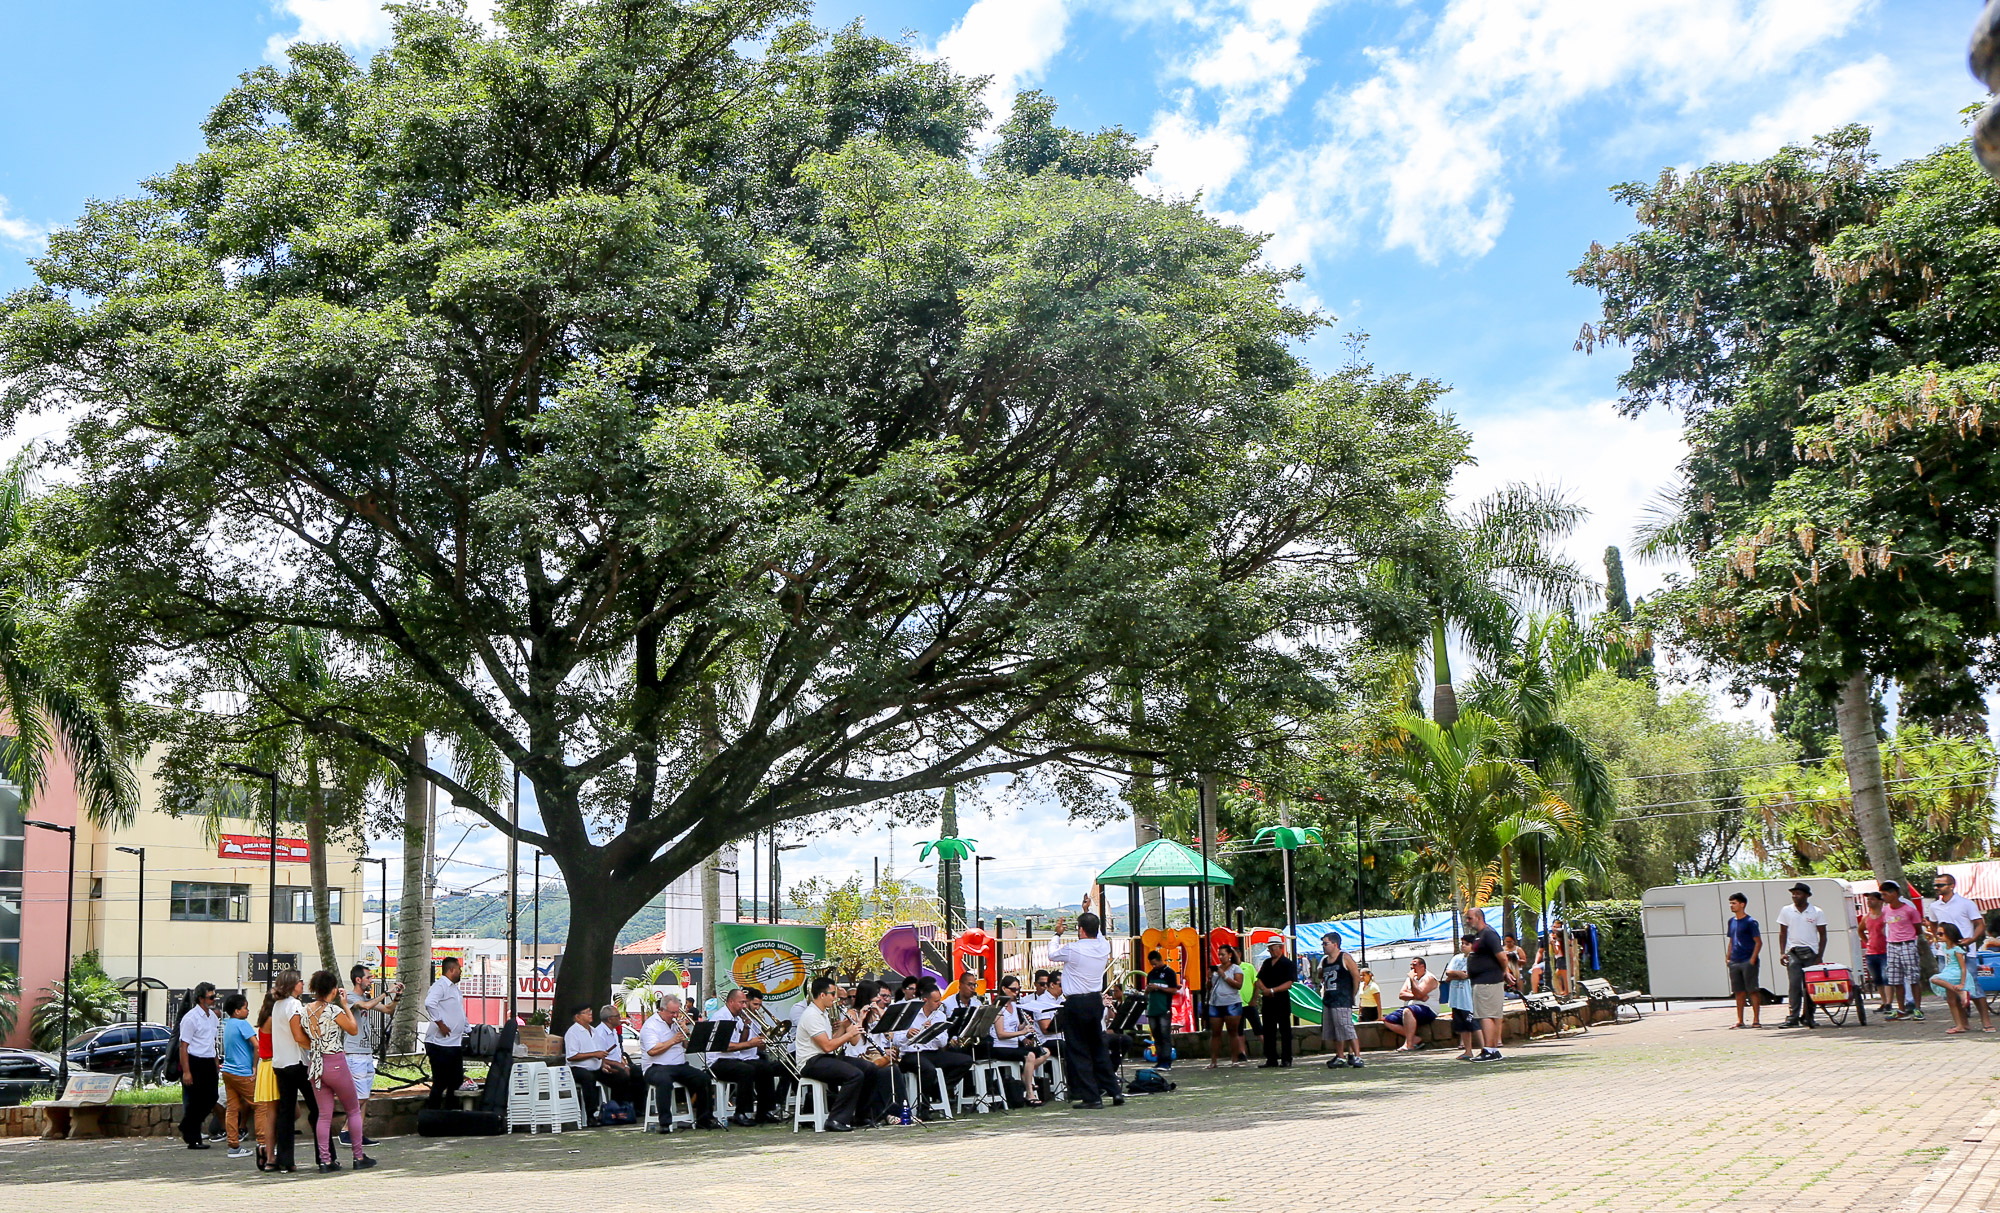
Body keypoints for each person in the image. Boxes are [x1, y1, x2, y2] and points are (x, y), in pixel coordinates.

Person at [1048, 898, 1124, 1107]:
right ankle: (1114, 1091)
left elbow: (1052, 954)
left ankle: (1092, 1097)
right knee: (1098, 1047)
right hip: (1094, 1000)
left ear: (1080, 930)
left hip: (1076, 1002)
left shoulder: (1074, 949)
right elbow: (1096, 932)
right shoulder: (1103, 946)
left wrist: (1057, 934)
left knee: (1079, 1050)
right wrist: (1086, 910)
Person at [303, 969, 371, 1172]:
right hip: (336, 1062)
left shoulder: (305, 1010)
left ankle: (325, 1160)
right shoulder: (334, 1011)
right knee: (353, 1109)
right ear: (333, 990)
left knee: (324, 1115)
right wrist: (345, 1006)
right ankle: (358, 1156)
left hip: (316, 1064)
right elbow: (353, 1029)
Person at [795, 975, 879, 1131]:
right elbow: (827, 1046)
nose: (835, 998)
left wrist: (844, 1027)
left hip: (823, 1057)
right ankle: (835, 1120)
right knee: (854, 1075)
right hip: (810, 1061)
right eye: (832, 994)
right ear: (822, 995)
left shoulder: (823, 1012)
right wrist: (849, 1033)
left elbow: (831, 1040)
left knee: (870, 1068)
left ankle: (862, 1116)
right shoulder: (811, 1015)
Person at [637, 995, 723, 1131]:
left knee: (704, 1078)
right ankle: (665, 1123)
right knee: (664, 1081)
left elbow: (687, 1047)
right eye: (672, 1013)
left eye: (677, 1012)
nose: (675, 1015)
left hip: (679, 1065)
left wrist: (687, 1035)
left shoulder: (676, 1024)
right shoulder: (650, 1026)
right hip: (656, 1067)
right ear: (662, 1010)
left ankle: (704, 1119)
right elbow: (652, 1051)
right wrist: (673, 1040)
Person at [709, 988, 787, 1125]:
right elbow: (725, 1047)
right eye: (742, 1002)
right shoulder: (721, 1017)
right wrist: (750, 1043)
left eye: (745, 1002)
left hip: (734, 1059)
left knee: (765, 1067)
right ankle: (741, 1113)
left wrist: (746, 1028)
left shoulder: (737, 1018)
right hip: (718, 1061)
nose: (744, 1006)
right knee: (746, 1070)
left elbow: (739, 1042)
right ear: (731, 1001)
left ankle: (764, 1112)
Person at [899, 977, 973, 1119]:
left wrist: (934, 1031)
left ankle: (938, 1090)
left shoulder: (939, 1015)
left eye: (940, 1000)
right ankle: (924, 1109)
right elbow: (897, 1040)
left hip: (933, 1052)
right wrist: (908, 1035)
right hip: (912, 1054)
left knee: (965, 1060)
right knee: (928, 1070)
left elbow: (943, 1042)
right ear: (925, 1000)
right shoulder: (909, 1013)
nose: (939, 1004)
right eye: (936, 1001)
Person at [338, 965, 396, 1147]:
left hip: (366, 1053)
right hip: (354, 1053)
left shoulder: (364, 997)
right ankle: (346, 1130)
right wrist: (386, 991)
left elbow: (387, 1010)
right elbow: (365, 1006)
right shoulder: (351, 998)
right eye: (369, 978)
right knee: (360, 1097)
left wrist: (398, 996)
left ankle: (357, 1134)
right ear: (358, 980)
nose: (371, 980)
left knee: (365, 1096)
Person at [269, 970, 317, 1173]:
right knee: (317, 1109)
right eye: (300, 981)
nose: (303, 984)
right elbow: (298, 1035)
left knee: (286, 1113)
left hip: (280, 1064)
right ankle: (325, 1155)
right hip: (296, 1062)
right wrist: (315, 1045)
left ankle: (285, 1159)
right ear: (292, 984)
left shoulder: (277, 1006)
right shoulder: (294, 1005)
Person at [987, 976, 1050, 1104]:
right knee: (1030, 1055)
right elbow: (1001, 1034)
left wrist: (1025, 1026)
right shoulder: (998, 1008)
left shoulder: (1015, 1006)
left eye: (1018, 990)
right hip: (1001, 1047)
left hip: (1014, 1045)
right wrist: (1023, 1032)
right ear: (1004, 989)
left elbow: (1015, 1027)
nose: (1016, 993)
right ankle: (1029, 1094)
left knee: (1045, 1051)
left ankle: (1025, 1074)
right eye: (1013, 990)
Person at [1776, 881, 1829, 1029]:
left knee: (1810, 986)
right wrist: (1782, 952)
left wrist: (1819, 956)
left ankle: (1809, 1016)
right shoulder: (1786, 910)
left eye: (1798, 893)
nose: (1795, 896)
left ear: (1806, 896)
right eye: (1793, 893)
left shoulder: (1816, 911)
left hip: (1810, 952)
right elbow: (1782, 932)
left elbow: (1823, 935)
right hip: (1793, 952)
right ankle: (1792, 1017)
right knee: (1794, 986)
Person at [176, 982, 222, 1150]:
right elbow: (184, 1046)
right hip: (195, 1060)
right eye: (210, 997)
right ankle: (193, 1137)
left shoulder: (213, 1017)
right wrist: (187, 1071)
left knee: (211, 1097)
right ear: (201, 998)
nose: (213, 1000)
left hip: (208, 1060)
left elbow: (212, 1041)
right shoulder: (191, 1018)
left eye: (214, 996)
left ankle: (186, 1125)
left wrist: (216, 1062)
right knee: (196, 1100)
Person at [1465, 907, 1515, 1061]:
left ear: (1479, 918)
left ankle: (1488, 1050)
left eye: (1470, 918)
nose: (1467, 921)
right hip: (1483, 981)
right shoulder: (1479, 936)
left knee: (1486, 1015)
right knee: (1490, 1015)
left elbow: (1502, 957)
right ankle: (1492, 1049)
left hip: (1487, 982)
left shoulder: (1488, 934)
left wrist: (1505, 972)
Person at [422, 956, 469, 1108]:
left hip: (454, 1043)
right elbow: (429, 1003)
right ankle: (432, 1112)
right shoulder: (440, 985)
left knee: (456, 1080)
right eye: (459, 969)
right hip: (439, 1043)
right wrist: (440, 1023)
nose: (460, 972)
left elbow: (458, 1012)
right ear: (451, 970)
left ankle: (451, 1111)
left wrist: (468, 1029)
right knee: (441, 1080)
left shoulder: (455, 989)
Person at [1879, 879, 1925, 1020]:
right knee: (1895, 979)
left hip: (1907, 944)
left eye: (1885, 894)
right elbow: (1884, 926)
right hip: (1892, 945)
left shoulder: (1909, 910)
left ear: (1895, 893)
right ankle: (1901, 1009)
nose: (1883, 898)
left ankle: (1917, 1008)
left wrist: (1909, 938)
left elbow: (1918, 929)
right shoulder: (1885, 909)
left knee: (1912, 977)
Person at [219, 993, 258, 1158]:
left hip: (228, 1072)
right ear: (236, 1011)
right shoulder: (243, 1024)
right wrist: (255, 1067)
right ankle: (266, 1143)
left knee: (232, 1109)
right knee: (261, 1106)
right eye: (245, 1008)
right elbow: (257, 1046)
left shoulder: (227, 1024)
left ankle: (233, 1145)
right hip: (243, 1072)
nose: (248, 1011)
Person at [1252, 937, 1298, 1069]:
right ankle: (1271, 1058)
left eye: (1274, 948)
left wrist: (1273, 990)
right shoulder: (1267, 963)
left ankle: (1286, 1059)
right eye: (1270, 949)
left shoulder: (1288, 964)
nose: (1272, 951)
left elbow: (1289, 983)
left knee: (1285, 1031)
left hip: (1281, 1000)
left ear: (1280, 948)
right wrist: (1265, 990)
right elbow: (1258, 979)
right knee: (1268, 1030)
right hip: (1268, 1002)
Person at [1318, 934, 1361, 1069]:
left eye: (1326, 944)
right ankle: (1340, 1055)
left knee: (1346, 1027)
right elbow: (1321, 976)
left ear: (1335, 944)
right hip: (1329, 999)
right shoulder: (1325, 961)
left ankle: (1357, 1056)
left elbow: (1356, 976)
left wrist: (1352, 994)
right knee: (1335, 1030)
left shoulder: (1344, 957)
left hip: (1342, 999)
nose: (1323, 947)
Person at [565, 1004, 611, 1125]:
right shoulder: (572, 1032)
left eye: (590, 1011)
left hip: (595, 1067)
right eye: (586, 1012)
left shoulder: (594, 1031)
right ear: (577, 1017)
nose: (590, 1014)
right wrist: (594, 1054)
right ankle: (591, 1114)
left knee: (619, 1075)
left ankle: (618, 1109)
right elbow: (572, 1056)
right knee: (588, 1078)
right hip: (578, 1068)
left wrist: (603, 1064)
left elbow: (599, 1051)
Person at [1724, 892, 1764, 1029]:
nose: (1731, 906)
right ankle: (1740, 1020)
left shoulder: (1750, 922)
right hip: (1735, 960)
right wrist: (1728, 957)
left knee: (1752, 990)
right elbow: (1731, 940)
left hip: (1748, 960)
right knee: (1738, 991)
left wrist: (1752, 959)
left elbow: (1758, 942)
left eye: (1734, 903)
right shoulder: (1731, 921)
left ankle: (1756, 1020)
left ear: (1742, 904)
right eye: (1730, 903)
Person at [1381, 958, 1438, 1052]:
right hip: (1412, 1007)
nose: (1412, 967)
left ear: (1422, 966)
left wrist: (1412, 980)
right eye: (1411, 965)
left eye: (1414, 965)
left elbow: (1419, 993)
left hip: (1428, 1008)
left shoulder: (1429, 978)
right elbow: (1402, 995)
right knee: (1388, 1020)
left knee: (1408, 1011)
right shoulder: (1409, 979)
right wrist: (1418, 997)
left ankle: (1409, 1044)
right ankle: (1415, 1039)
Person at [251, 988, 281, 1172]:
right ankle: (269, 1153)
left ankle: (268, 1150)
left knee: (279, 1113)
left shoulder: (265, 1019)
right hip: (272, 1066)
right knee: (273, 1114)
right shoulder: (272, 1020)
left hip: (266, 1065)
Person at [1929, 923, 1975, 1034]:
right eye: (1938, 933)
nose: (1938, 936)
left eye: (1941, 934)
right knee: (1951, 1001)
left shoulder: (1957, 949)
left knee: (1934, 979)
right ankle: (1962, 1024)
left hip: (1955, 973)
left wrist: (1962, 983)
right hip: (1948, 972)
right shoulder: (1945, 947)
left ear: (1949, 934)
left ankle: (1960, 993)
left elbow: (1963, 968)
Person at [1206, 943, 1246, 1069]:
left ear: (1229, 955)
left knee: (1232, 1031)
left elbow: (1238, 985)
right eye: (1219, 955)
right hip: (1216, 1003)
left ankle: (1235, 1059)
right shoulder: (1216, 968)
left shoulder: (1236, 968)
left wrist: (1224, 975)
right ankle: (1213, 1061)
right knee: (1215, 1033)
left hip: (1231, 1003)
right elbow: (1209, 987)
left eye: (1223, 954)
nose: (1220, 957)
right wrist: (1209, 978)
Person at [1444, 935, 1480, 1060]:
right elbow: (1448, 973)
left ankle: (1484, 1049)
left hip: (1468, 997)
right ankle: (1468, 1050)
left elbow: (1466, 975)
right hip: (1456, 997)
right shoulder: (1456, 958)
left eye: (1466, 944)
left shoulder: (1475, 958)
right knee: (1462, 1026)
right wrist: (1456, 974)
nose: (1463, 946)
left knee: (1474, 1025)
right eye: (1462, 943)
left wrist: (1454, 976)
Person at [1143, 950, 1179, 1070]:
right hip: (1152, 1008)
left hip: (1164, 1008)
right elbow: (1146, 991)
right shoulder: (1151, 974)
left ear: (1160, 960)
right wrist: (1148, 990)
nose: (1154, 966)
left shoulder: (1169, 973)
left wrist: (1158, 987)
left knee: (1165, 1035)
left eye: (1155, 963)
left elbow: (1174, 990)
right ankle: (1159, 1060)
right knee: (1156, 1036)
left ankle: (1166, 1061)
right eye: (1152, 964)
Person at [1859, 891, 1890, 1014]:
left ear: (1880, 901)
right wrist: (1866, 942)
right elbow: (1860, 930)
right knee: (1877, 979)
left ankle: (1889, 1002)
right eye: (1868, 899)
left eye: (1872, 899)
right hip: (1871, 952)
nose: (1869, 901)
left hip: (1885, 951)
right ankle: (1884, 1001)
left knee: (1886, 977)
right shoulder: (1866, 917)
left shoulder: (1885, 916)